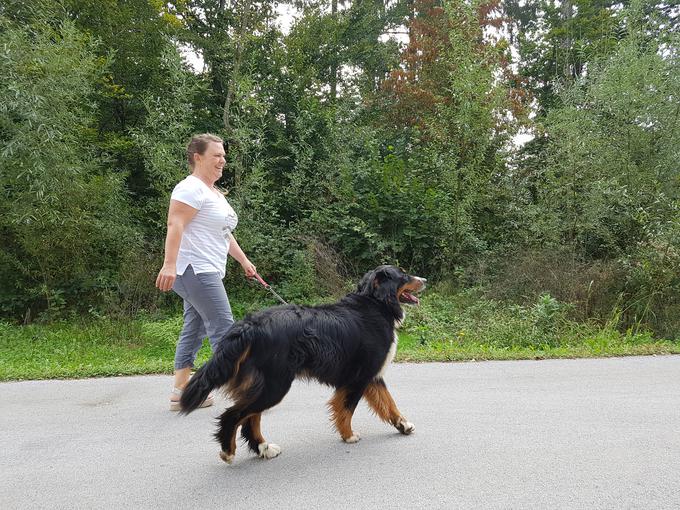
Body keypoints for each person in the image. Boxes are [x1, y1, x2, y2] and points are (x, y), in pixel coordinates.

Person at [156, 133, 256, 411]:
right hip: (194, 270)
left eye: (224, 155)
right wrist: (169, 264)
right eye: (217, 155)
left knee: (195, 327)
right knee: (224, 327)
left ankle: (182, 390)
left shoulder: (214, 193)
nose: (223, 160)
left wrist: (244, 261)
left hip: (206, 269)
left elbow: (224, 234)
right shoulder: (190, 188)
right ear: (197, 157)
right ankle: (242, 389)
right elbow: (175, 224)